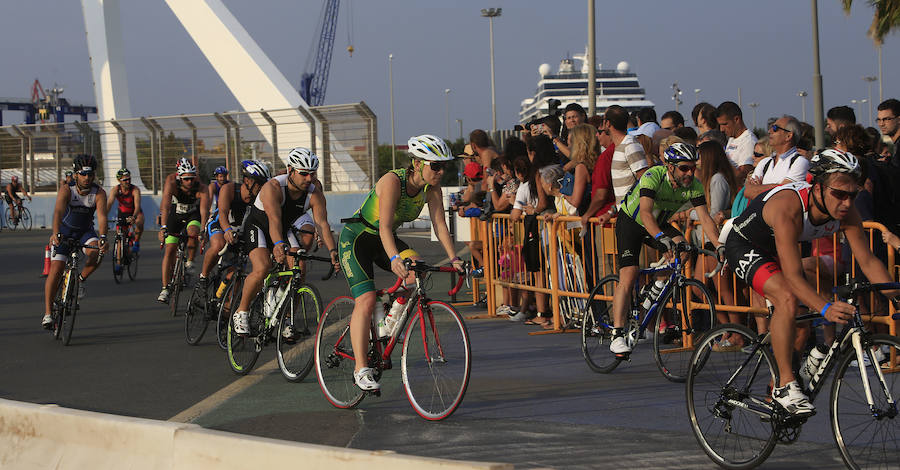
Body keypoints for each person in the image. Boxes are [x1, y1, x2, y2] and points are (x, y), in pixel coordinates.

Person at [720, 148, 900, 416]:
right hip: (743, 245)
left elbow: (868, 261)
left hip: (780, 250)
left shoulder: (846, 213)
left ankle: (775, 393)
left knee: (802, 327)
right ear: (817, 187)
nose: (847, 203)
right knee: (787, 299)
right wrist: (826, 308)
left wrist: (895, 297)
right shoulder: (789, 205)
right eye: (839, 194)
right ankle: (785, 385)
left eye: (853, 194)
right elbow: (792, 277)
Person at [339, 135, 464, 391]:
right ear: (417, 163)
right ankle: (361, 369)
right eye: (435, 165)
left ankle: (387, 322)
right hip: (358, 238)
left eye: (444, 166)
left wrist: (454, 258)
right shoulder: (392, 181)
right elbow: (384, 226)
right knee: (366, 299)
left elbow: (440, 226)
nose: (441, 171)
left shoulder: (432, 189)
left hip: (385, 239)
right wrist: (395, 258)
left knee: (416, 271)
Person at [610, 143, 725, 355]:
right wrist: (661, 238)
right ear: (670, 167)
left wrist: (719, 246)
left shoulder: (694, 186)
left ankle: (658, 283)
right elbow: (645, 212)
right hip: (632, 222)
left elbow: (706, 219)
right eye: (684, 168)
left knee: (683, 249)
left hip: (657, 222)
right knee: (628, 274)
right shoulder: (653, 175)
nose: (690, 173)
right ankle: (617, 333)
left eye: (693, 167)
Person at [234, 148, 340, 334]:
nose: (309, 179)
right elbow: (274, 221)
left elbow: (322, 224)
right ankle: (241, 311)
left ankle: (287, 319)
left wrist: (333, 252)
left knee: (299, 270)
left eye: (312, 174)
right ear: (290, 170)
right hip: (258, 226)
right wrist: (277, 245)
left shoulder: (314, 193)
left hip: (283, 229)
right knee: (262, 267)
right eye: (304, 174)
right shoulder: (273, 188)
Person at [42, 155, 108, 328]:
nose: (87, 178)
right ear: (76, 174)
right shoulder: (67, 189)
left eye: (90, 174)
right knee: (55, 270)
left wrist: (103, 238)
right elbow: (57, 212)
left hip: (85, 232)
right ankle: (48, 313)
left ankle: (79, 280)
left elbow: (102, 217)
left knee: (96, 253)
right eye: (83, 174)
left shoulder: (99, 192)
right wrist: (55, 233)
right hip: (64, 232)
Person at [197, 160, 271, 289]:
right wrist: (227, 230)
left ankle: (225, 306)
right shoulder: (229, 188)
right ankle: (203, 276)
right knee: (218, 245)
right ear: (247, 180)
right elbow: (223, 213)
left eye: (264, 184)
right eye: (259, 183)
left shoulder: (260, 197)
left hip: (240, 231)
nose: (262, 188)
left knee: (236, 273)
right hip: (220, 223)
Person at [157, 158, 208, 303]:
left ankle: (190, 261)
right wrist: (163, 227)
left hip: (192, 213)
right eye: (186, 179)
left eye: (192, 179)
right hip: (176, 213)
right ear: (180, 178)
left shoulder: (200, 187)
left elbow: (204, 210)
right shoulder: (171, 182)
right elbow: (166, 205)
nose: (190, 182)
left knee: (193, 232)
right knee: (170, 249)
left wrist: (203, 230)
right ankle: (165, 288)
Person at [743, 116, 809, 200]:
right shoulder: (765, 162)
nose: (769, 131)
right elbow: (748, 192)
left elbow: (784, 193)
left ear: (788, 136)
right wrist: (778, 186)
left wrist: (759, 187)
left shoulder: (800, 162)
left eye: (775, 128)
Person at [106, 169, 144, 257]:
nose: (128, 181)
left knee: (140, 222)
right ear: (119, 180)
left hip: (135, 212)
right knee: (120, 239)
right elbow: (109, 204)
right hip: (123, 213)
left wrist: (134, 217)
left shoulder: (135, 190)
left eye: (129, 179)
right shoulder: (115, 189)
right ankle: (119, 264)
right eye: (125, 180)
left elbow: (137, 206)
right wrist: (104, 217)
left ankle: (136, 242)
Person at [717, 101, 757, 180]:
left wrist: (719, 159)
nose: (721, 129)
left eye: (725, 124)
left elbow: (744, 175)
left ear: (736, 119)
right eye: (720, 125)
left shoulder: (749, 141)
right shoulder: (732, 138)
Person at [876, 98, 900, 165]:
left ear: (898, 120)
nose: (881, 124)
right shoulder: (895, 146)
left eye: (886, 119)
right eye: (879, 120)